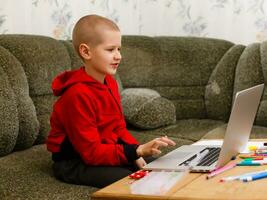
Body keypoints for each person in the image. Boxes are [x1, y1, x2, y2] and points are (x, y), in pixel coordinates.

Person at [46, 14, 176, 188]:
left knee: (159, 166)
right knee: (132, 181)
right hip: (74, 161)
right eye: (110, 50)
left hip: (103, 149)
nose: (118, 56)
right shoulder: (77, 95)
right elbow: (91, 153)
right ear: (86, 52)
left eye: (119, 49)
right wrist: (135, 151)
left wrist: (137, 152)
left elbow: (118, 129)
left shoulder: (110, 83)